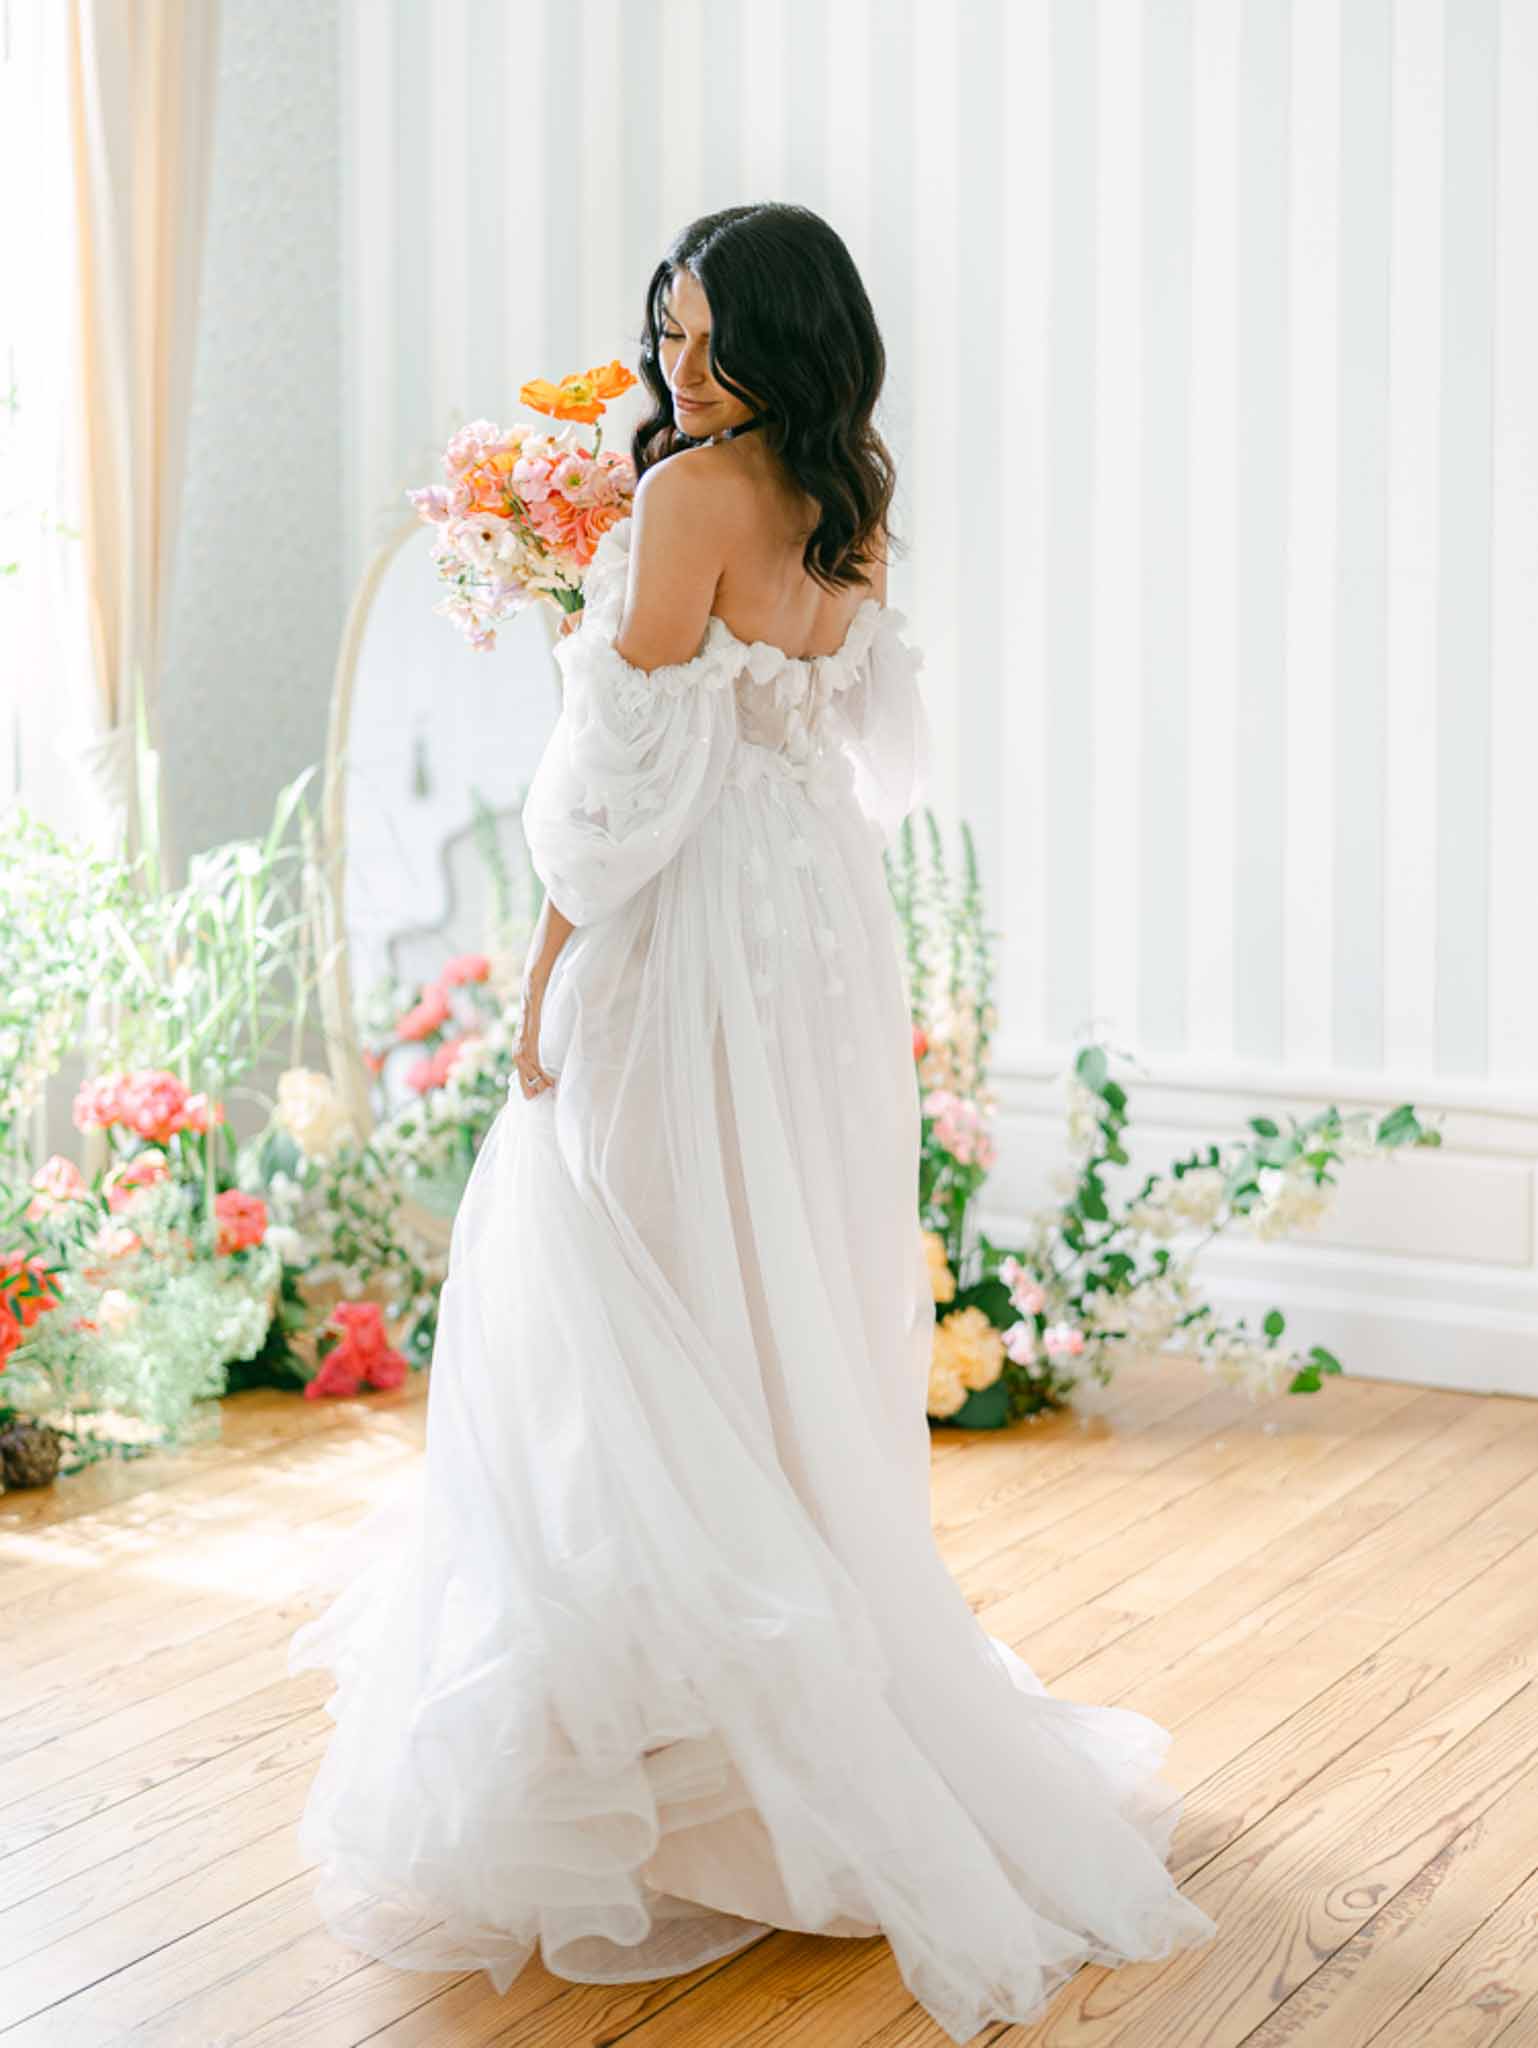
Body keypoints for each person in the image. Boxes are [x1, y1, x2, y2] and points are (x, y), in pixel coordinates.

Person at [287, 202, 1217, 2045]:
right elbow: (862, 748)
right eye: (667, 330)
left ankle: (674, 1739)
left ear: (787, 336)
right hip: (818, 935)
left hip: (692, 923)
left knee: (634, 1275)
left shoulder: (684, 495)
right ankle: (776, 1701)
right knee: (773, 1285)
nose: (679, 366)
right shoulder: (846, 487)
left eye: (711, 336)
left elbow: (618, 782)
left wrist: (542, 969)